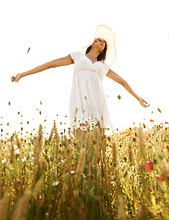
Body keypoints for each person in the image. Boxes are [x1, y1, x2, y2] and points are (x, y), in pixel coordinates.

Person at [11, 25, 150, 137]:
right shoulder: (77, 56)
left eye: (103, 43)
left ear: (103, 50)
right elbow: (49, 64)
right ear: (92, 43)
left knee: (98, 138)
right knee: (80, 136)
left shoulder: (103, 66)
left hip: (97, 100)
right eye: (98, 39)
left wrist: (138, 97)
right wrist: (22, 74)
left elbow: (123, 82)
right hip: (79, 99)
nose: (100, 41)